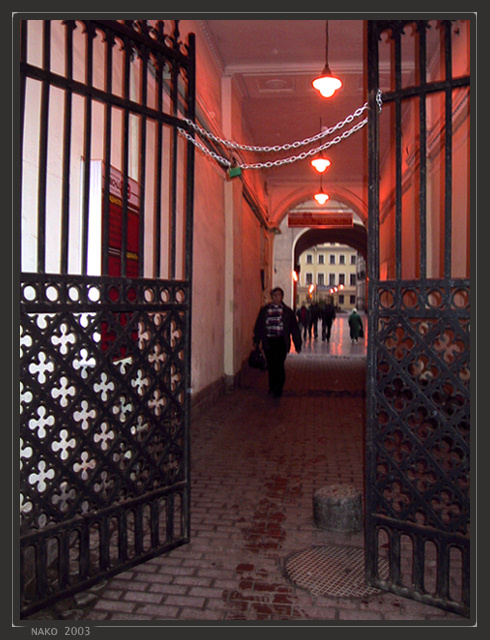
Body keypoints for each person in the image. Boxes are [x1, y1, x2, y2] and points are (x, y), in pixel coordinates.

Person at [253, 287, 302, 397]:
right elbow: (259, 326)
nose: (276, 297)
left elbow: (294, 328)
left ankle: (278, 388)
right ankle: (272, 387)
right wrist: (257, 340)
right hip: (269, 341)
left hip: (281, 341)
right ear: (272, 297)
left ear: (282, 297)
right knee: (271, 365)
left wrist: (297, 344)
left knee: (279, 364)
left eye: (278, 295)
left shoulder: (287, 312)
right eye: (274, 295)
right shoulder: (265, 310)